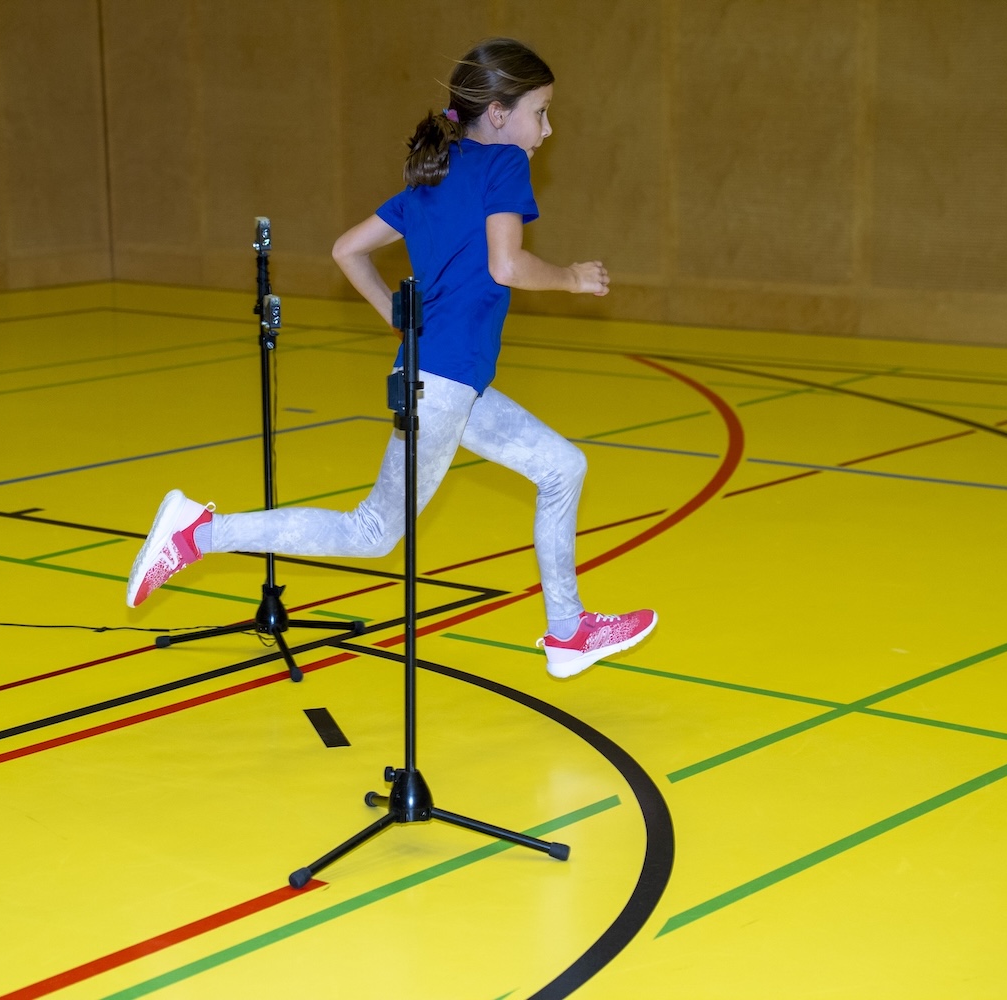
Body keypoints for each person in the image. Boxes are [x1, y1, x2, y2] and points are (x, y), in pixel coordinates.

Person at [125, 38, 655, 679]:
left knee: (562, 466)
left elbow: (347, 250)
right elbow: (507, 265)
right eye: (540, 112)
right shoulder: (503, 163)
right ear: (497, 113)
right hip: (443, 383)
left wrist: (399, 321)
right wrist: (571, 277)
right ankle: (197, 533)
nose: (548, 129)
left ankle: (568, 633)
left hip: (446, 380)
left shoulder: (436, 174)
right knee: (373, 531)